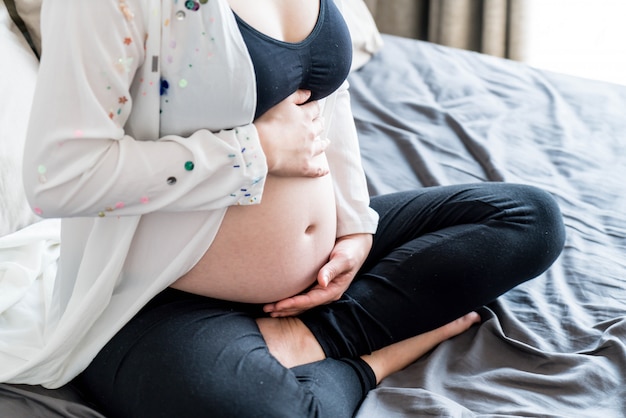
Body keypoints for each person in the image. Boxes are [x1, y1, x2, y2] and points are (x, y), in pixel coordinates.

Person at [11, 0, 565, 416]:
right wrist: (254, 150)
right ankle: (363, 355)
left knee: (530, 220)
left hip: (326, 270)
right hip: (163, 295)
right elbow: (60, 176)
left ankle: (310, 336)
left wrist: (355, 227)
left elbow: (327, 95)